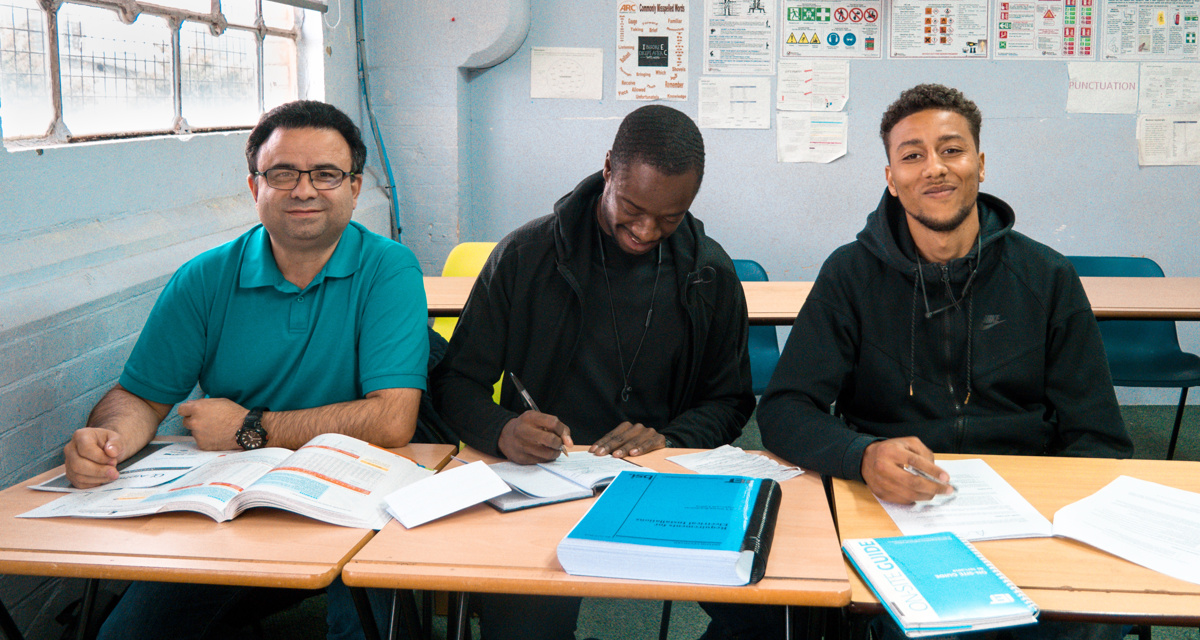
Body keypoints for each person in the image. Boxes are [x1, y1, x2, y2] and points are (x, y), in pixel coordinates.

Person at [758, 84, 1133, 640]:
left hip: (1028, 512)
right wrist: (861, 455)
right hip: (892, 509)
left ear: (980, 165)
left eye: (951, 150)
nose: (934, 168)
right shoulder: (849, 274)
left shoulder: (1047, 278)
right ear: (891, 177)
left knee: (1084, 623)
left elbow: (1099, 436)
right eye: (912, 155)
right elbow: (786, 407)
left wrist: (1054, 519)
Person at [63, 100, 429, 640]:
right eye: (282, 173)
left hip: (362, 492)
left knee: (369, 633)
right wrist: (107, 440)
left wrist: (249, 427)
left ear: (354, 188)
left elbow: (393, 420)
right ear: (255, 187)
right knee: (126, 635)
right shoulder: (204, 279)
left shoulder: (389, 268)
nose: (303, 190)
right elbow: (140, 398)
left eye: (326, 174)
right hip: (237, 495)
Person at [432, 104, 755, 640]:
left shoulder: (709, 274)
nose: (647, 229)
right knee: (522, 630)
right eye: (632, 207)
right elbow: (454, 381)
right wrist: (500, 429)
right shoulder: (525, 256)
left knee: (772, 609)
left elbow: (731, 400)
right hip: (538, 481)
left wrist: (671, 438)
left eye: (670, 217)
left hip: (660, 482)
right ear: (608, 168)